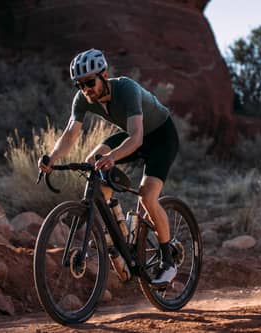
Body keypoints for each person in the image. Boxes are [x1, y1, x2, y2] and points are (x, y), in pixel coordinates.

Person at [38, 48, 179, 287]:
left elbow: (136, 138)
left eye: (90, 82)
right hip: (131, 135)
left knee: (147, 196)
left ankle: (168, 261)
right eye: (79, 85)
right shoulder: (83, 98)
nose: (86, 89)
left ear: (104, 74)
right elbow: (71, 134)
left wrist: (113, 157)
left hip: (160, 137)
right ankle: (115, 240)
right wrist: (51, 158)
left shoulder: (127, 89)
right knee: (93, 165)